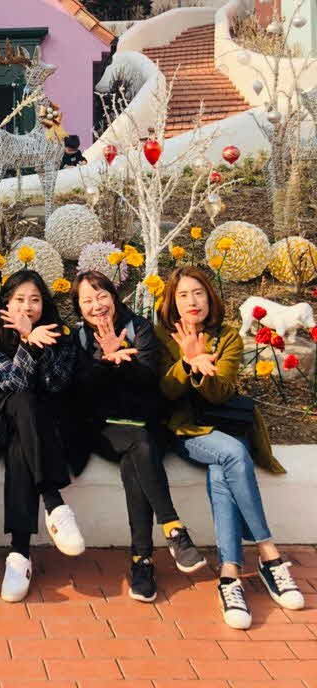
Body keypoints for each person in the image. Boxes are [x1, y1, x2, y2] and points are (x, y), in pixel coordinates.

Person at [157, 266, 304, 629]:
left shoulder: (228, 338)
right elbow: (164, 392)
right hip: (185, 431)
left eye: (198, 293)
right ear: (173, 301)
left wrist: (204, 367)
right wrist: (187, 362)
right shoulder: (162, 335)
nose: (192, 301)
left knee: (223, 469)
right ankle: (269, 554)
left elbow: (221, 393)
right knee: (233, 454)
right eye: (183, 295)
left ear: (210, 298)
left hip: (223, 425)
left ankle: (229, 575)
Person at [71, 270, 205, 603]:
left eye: (102, 296)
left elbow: (150, 382)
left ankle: (142, 560)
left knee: (139, 451)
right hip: (103, 430)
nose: (96, 306)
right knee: (138, 444)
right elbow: (80, 392)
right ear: (78, 307)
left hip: (144, 425)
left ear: (114, 297)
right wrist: (104, 360)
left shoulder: (139, 328)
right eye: (87, 301)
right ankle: (173, 529)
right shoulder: (78, 338)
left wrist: (124, 360)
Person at [0, 270, 84, 602]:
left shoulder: (61, 335)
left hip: (44, 428)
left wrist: (43, 346)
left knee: (21, 447)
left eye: (35, 300)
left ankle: (19, 554)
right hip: (2, 420)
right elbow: (11, 385)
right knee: (23, 402)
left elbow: (56, 384)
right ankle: (54, 503)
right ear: (6, 303)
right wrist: (26, 342)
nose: (27, 307)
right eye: (19, 299)